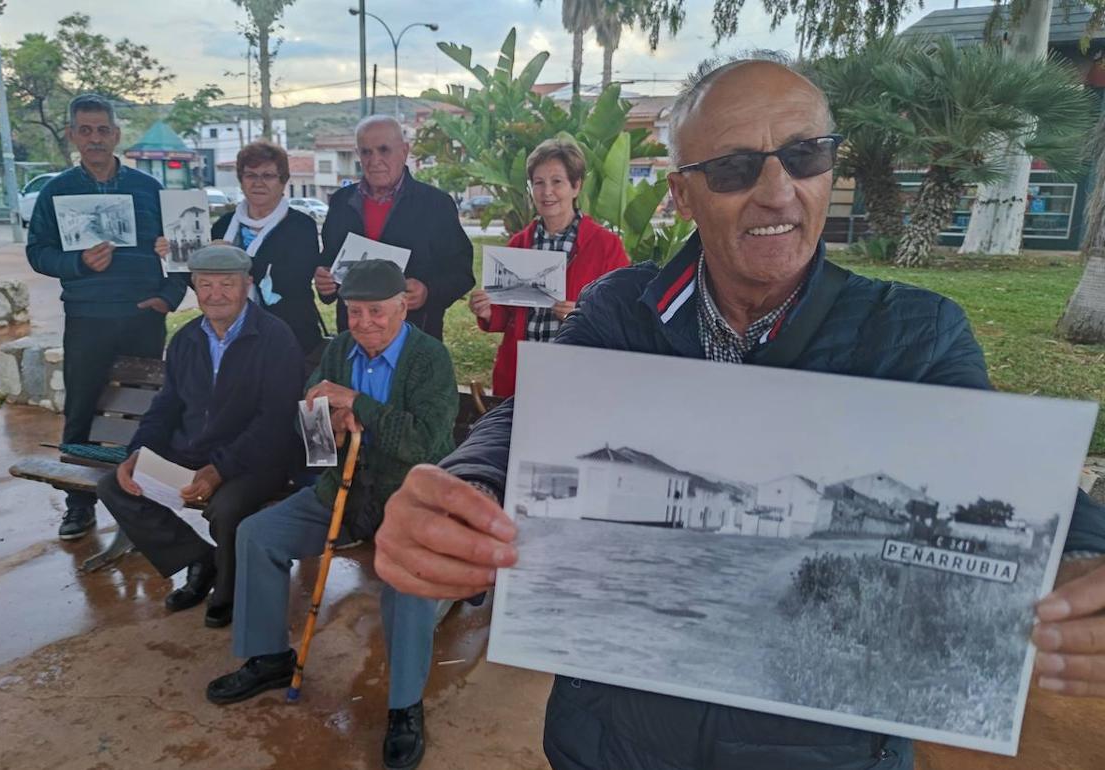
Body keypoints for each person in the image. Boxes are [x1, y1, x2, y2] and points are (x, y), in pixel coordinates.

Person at [374, 60, 1105, 769]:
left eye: (805, 155)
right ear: (684, 197)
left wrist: (1087, 561)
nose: (778, 191)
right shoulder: (619, 309)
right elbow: (531, 417)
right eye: (733, 167)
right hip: (614, 739)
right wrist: (467, 484)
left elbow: (1006, 478)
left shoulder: (914, 334)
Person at [206, 259, 458, 770]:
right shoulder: (339, 350)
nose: (364, 323)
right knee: (257, 534)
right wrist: (325, 428)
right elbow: (315, 442)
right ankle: (270, 657)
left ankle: (405, 705)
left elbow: (425, 442)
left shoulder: (431, 358)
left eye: (376, 312)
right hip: (340, 492)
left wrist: (357, 404)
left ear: (402, 306)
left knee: (407, 582)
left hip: (408, 500)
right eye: (354, 312)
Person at [95, 244, 304, 628]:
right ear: (194, 287)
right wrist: (139, 452)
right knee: (116, 486)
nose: (216, 293)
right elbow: (166, 405)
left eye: (227, 284)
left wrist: (218, 470)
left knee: (226, 509)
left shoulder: (275, 337)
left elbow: (275, 421)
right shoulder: (187, 337)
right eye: (206, 284)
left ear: (248, 285)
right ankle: (197, 559)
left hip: (255, 460)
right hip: (192, 451)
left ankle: (228, 586)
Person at [27, 93, 188, 540]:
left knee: (140, 412)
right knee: (81, 409)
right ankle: (79, 504)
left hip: (142, 317)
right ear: (72, 135)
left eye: (103, 130)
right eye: (85, 130)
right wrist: (78, 264)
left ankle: (137, 502)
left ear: (117, 135)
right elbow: (37, 252)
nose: (95, 138)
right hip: (87, 318)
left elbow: (180, 249)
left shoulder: (148, 189)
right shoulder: (56, 191)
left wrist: (167, 297)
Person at [468, 137, 629, 397]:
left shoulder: (606, 246)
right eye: (538, 183)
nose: (546, 192)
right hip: (521, 371)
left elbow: (622, 315)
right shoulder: (518, 244)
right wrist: (487, 311)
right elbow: (505, 315)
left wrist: (581, 316)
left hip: (579, 374)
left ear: (576, 186)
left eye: (557, 182)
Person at [159, 140, 326, 363]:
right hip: (231, 340)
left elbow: (290, 280)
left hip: (290, 340)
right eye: (250, 175)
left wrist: (231, 259)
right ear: (241, 180)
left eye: (268, 176)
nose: (258, 183)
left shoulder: (301, 226)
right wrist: (177, 255)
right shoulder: (223, 226)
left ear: (283, 181)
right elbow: (203, 282)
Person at [315, 115, 474, 340]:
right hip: (355, 339)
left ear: (404, 151)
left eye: (384, 150)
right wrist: (324, 282)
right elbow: (330, 260)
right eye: (366, 152)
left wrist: (428, 292)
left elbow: (462, 273)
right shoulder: (341, 201)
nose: (374, 160)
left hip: (414, 340)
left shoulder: (436, 204)